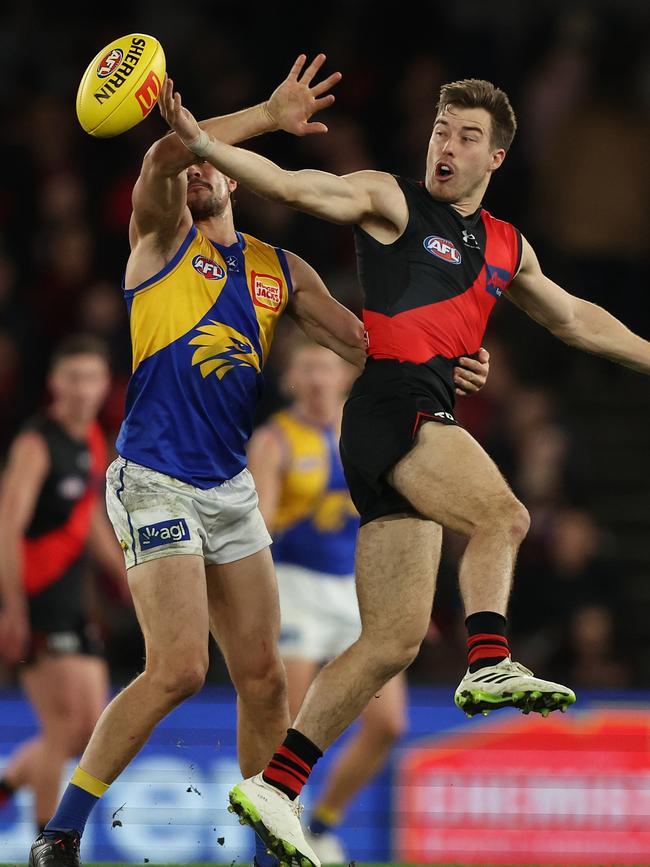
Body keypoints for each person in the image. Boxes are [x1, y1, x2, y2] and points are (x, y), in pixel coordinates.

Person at [158, 74, 650, 866]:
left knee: (390, 641)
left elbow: (573, 318)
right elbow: (298, 185)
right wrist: (210, 145)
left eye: (462, 136)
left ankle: (277, 786)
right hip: (394, 406)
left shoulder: (505, 244)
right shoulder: (391, 200)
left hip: (409, 420)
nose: (444, 145)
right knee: (506, 516)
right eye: (439, 129)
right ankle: (489, 658)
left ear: (495, 155)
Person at [27, 55, 363, 867]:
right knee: (177, 668)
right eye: (198, 157)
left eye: (218, 162)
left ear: (239, 183)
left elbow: (361, 342)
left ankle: (263, 849)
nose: (203, 166)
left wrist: (448, 355)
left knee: (266, 680)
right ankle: (60, 835)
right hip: (151, 477)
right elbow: (160, 158)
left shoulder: (282, 271)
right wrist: (266, 114)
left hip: (227, 487)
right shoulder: (158, 240)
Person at [248, 335, 490, 864]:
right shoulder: (276, 440)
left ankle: (323, 823)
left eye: (324, 367)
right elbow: (260, 527)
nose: (315, 379)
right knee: (288, 721)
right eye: (305, 367)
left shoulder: (367, 431)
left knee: (388, 725)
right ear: (293, 376)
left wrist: (408, 594)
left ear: (345, 375)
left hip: (357, 590)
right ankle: (280, 838)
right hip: (295, 587)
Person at [0, 334, 127, 831]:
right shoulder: (36, 443)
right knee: (61, 731)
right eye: (72, 378)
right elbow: (8, 525)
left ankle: (9, 785)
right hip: (35, 599)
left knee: (87, 733)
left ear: (103, 385)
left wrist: (122, 571)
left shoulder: (92, 439)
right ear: (55, 383)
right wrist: (12, 609)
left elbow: (86, 513)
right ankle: (46, 845)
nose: (81, 389)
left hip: (72, 600)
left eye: (91, 378)